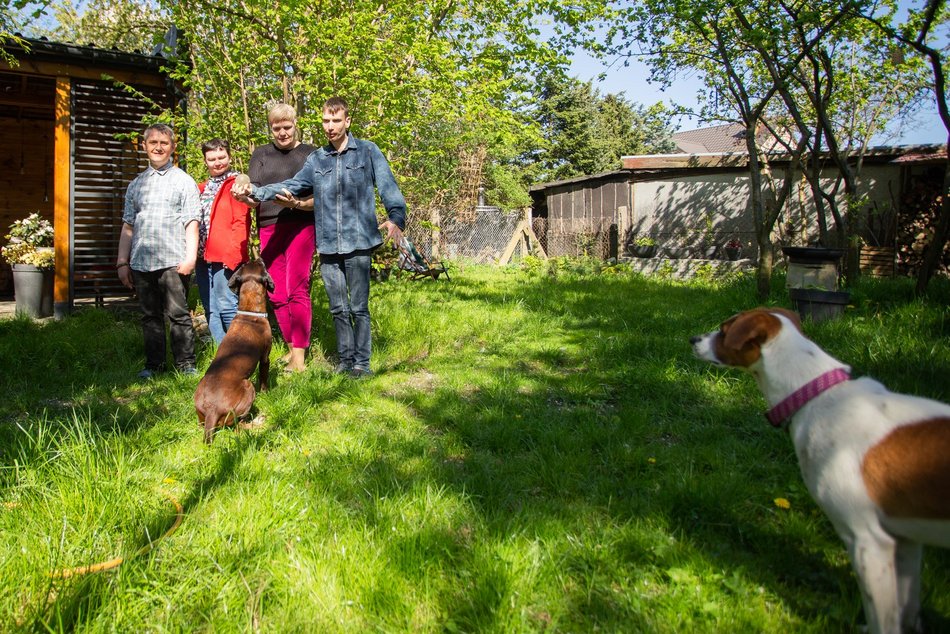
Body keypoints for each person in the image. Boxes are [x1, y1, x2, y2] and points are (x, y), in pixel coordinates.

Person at [233, 96, 406, 378]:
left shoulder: (367, 152)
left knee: (358, 307)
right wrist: (255, 191)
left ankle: (362, 363)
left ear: (347, 121)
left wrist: (396, 218)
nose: (330, 126)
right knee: (338, 307)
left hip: (359, 241)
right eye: (326, 121)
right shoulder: (317, 159)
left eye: (336, 120)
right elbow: (291, 185)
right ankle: (345, 361)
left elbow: (388, 187)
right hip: (327, 244)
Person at [116, 123, 200, 378]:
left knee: (178, 315)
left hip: (173, 261)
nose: (158, 147)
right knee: (149, 317)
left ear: (173, 147)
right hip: (141, 262)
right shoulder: (136, 185)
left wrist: (190, 258)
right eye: (153, 143)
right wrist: (122, 262)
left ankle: (186, 365)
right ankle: (154, 365)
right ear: (144, 146)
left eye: (164, 143)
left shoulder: (184, 181)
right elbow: (128, 225)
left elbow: (191, 222)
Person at [247, 103, 317, 373]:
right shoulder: (261, 154)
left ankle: (299, 358)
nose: (282, 132)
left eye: (287, 126)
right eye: (277, 128)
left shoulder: (310, 153)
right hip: (268, 225)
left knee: (297, 287)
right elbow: (254, 191)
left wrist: (297, 204)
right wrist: (245, 191)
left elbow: (317, 194)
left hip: (300, 224)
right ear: (271, 128)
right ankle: (290, 349)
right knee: (277, 294)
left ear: (295, 124)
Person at [195, 138, 251, 344]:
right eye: (212, 159)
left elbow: (241, 222)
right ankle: (221, 354)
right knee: (210, 305)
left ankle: (239, 352)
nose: (217, 162)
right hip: (202, 256)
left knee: (227, 304)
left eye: (221, 157)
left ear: (228, 156)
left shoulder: (237, 185)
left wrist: (234, 255)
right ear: (205, 161)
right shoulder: (201, 188)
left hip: (225, 256)